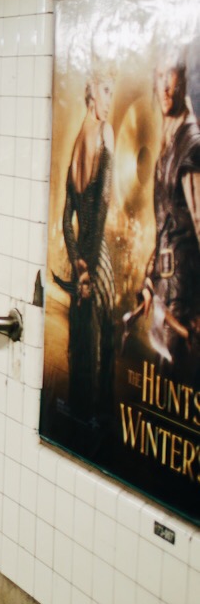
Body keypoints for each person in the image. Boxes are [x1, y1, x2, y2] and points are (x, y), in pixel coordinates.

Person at [134, 56, 200, 382]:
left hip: (185, 305)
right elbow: (165, 229)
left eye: (169, 74)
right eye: (158, 74)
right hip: (166, 297)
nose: (163, 85)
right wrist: (149, 282)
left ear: (182, 77)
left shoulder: (191, 145)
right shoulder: (170, 141)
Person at [61, 74, 115, 418]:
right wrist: (91, 267)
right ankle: (96, 418)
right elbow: (104, 202)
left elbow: (67, 222)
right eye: (107, 90)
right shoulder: (104, 133)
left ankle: (78, 410)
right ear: (92, 92)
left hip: (80, 255)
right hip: (97, 256)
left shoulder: (75, 149)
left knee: (79, 335)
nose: (111, 99)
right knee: (102, 339)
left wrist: (77, 262)